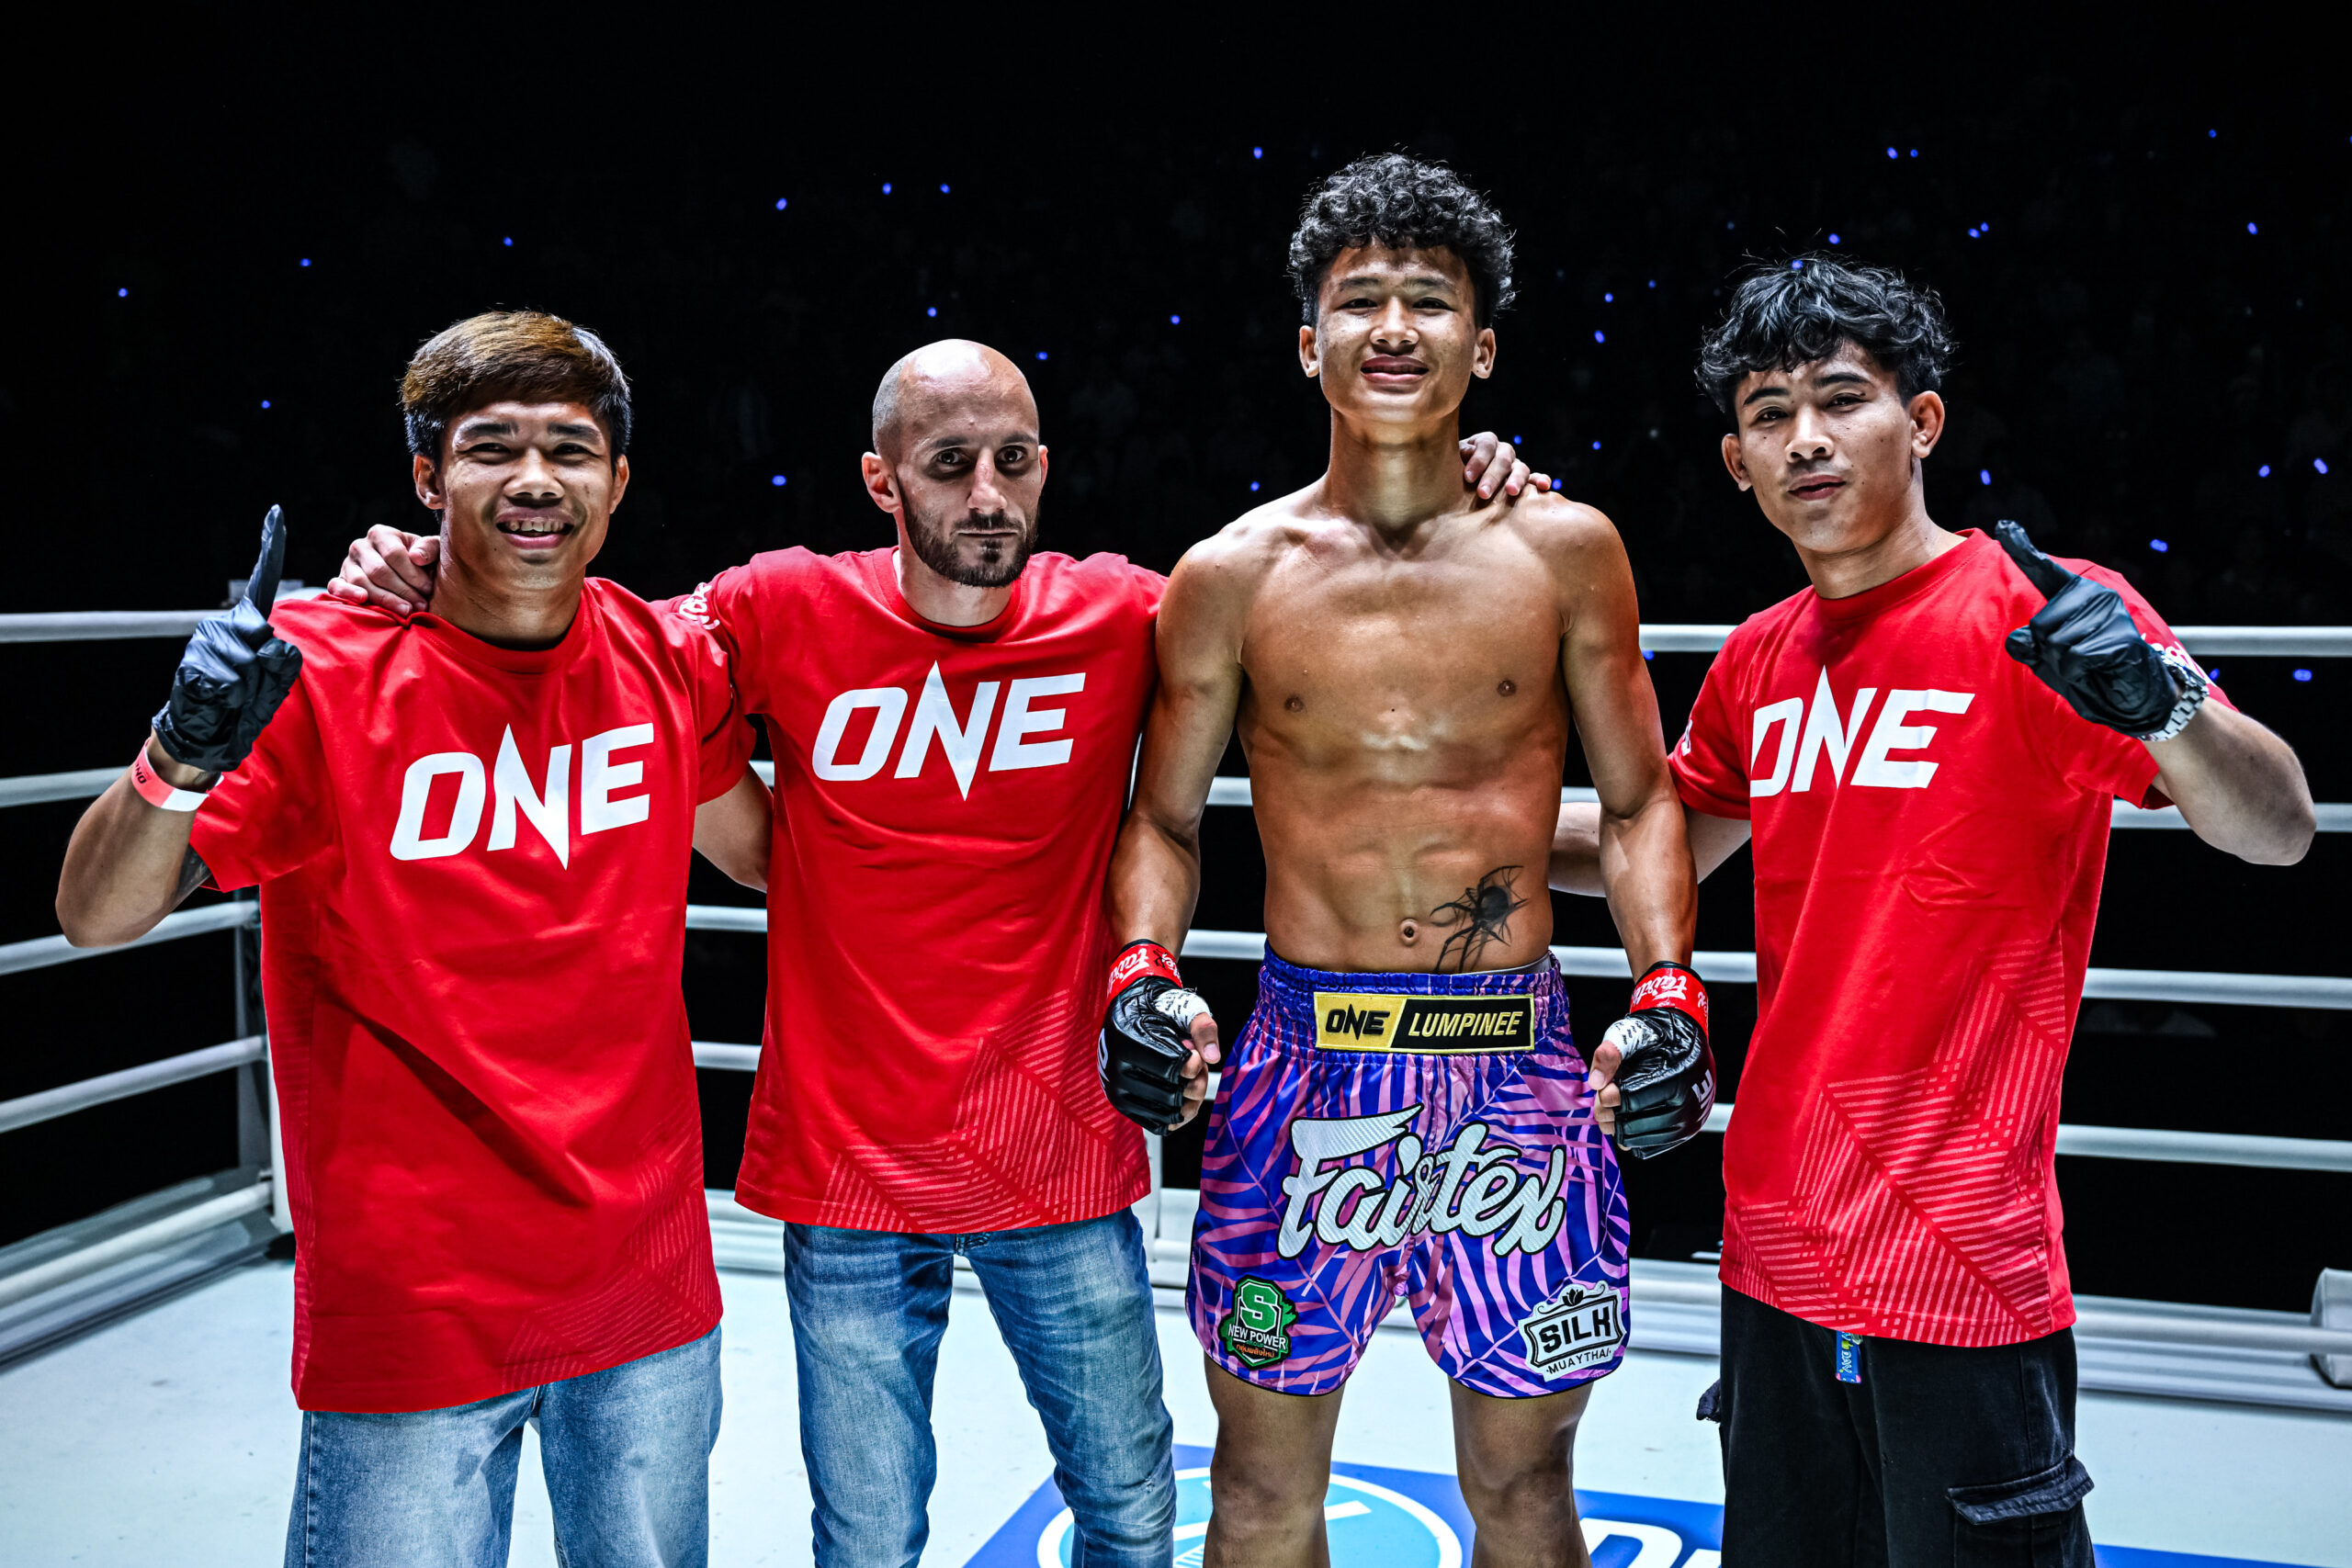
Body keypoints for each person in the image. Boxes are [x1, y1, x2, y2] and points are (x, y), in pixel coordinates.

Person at [330, 336, 1543, 1568]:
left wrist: (1447, 486)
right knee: (868, 1539)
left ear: (1045, 467)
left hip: (1059, 1154)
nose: (987, 495)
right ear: (883, 479)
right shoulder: (779, 605)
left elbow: (1322, 588)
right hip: (849, 1169)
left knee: (1133, 1509)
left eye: (1013, 461)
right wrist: (425, 568)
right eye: (951, 464)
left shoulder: (1124, 609)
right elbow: (588, 640)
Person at [1551, 256, 2315, 1566]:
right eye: (1769, 413)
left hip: (1960, 1254)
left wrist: (2166, 702)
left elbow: (2278, 826)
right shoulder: (1757, 658)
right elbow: (1657, 843)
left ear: (1922, 422)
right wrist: (1407, 827)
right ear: (1738, 463)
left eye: (1841, 398)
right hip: (1772, 1240)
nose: (1805, 438)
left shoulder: (2037, 613)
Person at [57, 310, 772, 1567]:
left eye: (570, 447)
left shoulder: (667, 659)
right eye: (492, 447)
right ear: (429, 480)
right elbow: (95, 914)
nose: (536, 478)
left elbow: (771, 859)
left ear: (618, 482)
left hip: (646, 1275)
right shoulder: (323, 670)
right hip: (416, 1298)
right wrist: (178, 749)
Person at [1101, 153, 1715, 1568]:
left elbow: (1639, 803)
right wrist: (1141, 973)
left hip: (1519, 1078)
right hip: (1301, 1066)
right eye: (1359, 299)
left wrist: (1669, 988)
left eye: (1429, 300)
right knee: (1259, 1494)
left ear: (1480, 346)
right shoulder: (1228, 577)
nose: (1393, 327)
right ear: (1306, 341)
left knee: (1526, 1491)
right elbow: (1165, 820)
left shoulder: (1567, 551)